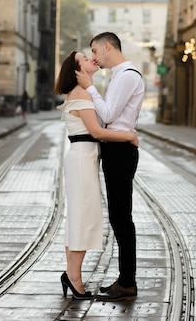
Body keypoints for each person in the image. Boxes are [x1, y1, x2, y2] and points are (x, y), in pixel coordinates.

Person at [55, 51, 139, 300]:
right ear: (77, 70)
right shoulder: (81, 93)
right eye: (85, 57)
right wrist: (129, 136)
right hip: (82, 160)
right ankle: (74, 278)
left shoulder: (81, 92)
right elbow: (97, 131)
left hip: (82, 158)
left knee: (78, 218)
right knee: (83, 218)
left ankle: (71, 274)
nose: (92, 58)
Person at [75, 32, 144, 302]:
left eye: (94, 51)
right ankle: (125, 279)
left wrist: (90, 87)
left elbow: (108, 115)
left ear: (107, 46)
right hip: (117, 149)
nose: (93, 57)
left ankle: (127, 283)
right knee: (119, 217)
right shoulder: (120, 74)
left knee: (121, 218)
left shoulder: (127, 75)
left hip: (121, 151)